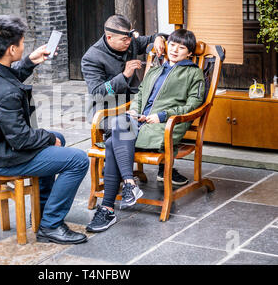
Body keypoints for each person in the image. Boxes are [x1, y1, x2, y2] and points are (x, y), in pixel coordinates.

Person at [0, 15, 89, 245]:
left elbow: (5, 76)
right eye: (22, 43)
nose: (25, 46)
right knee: (78, 160)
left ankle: (41, 211)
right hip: (4, 156)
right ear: (11, 49)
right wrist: (49, 138)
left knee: (58, 138)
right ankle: (50, 225)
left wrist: (30, 61)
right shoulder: (6, 95)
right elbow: (21, 139)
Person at [86, 29, 205, 233]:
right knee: (119, 126)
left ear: (189, 53)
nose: (175, 50)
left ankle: (108, 207)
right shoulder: (157, 68)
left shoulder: (194, 73)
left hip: (163, 126)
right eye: (173, 44)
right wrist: (133, 110)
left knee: (112, 141)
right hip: (139, 121)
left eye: (182, 47)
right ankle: (128, 186)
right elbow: (140, 94)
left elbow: (193, 105)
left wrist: (162, 116)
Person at [81, 14, 167, 137]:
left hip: (133, 104)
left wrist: (159, 38)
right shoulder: (92, 58)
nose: (129, 42)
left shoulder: (130, 42)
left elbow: (152, 38)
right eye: (124, 39)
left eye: (130, 37)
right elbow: (97, 93)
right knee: (125, 128)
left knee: (158, 121)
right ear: (109, 37)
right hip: (105, 109)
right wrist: (124, 76)